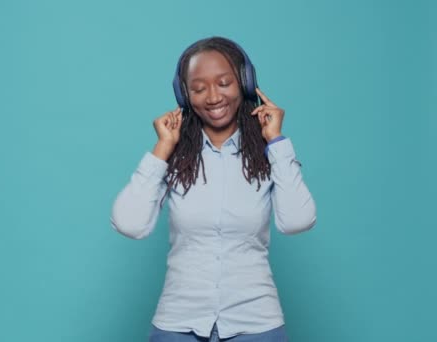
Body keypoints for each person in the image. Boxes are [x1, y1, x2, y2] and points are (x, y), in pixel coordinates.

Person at [110, 36, 317, 342]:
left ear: (244, 83)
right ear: (184, 95)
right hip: (179, 324)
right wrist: (162, 149)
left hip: (256, 324)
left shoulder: (268, 155)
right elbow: (130, 224)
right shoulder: (177, 156)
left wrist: (276, 142)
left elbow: (297, 221)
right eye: (198, 88)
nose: (212, 97)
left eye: (224, 83)